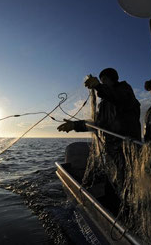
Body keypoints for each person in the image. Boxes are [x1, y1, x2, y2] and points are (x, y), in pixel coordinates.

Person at [57, 68, 141, 196]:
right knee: (113, 186)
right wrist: (76, 125)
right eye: (101, 81)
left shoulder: (125, 91)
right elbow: (99, 125)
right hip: (112, 151)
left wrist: (99, 87)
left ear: (111, 79)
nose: (102, 83)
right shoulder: (104, 104)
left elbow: (118, 97)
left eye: (104, 80)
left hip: (127, 150)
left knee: (129, 187)